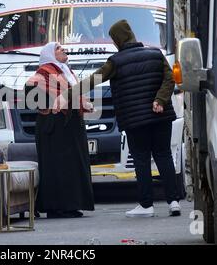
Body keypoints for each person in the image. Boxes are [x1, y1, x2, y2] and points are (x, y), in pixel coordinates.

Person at [59, 20, 181, 217]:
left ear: (117, 40)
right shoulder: (156, 54)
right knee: (164, 155)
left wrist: (66, 95)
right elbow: (169, 79)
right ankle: (173, 201)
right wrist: (160, 99)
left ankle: (146, 205)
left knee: (141, 160)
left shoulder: (116, 62)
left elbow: (94, 79)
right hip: (160, 115)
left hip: (136, 120)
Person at [25, 42, 95, 218]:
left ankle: (71, 205)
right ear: (49, 54)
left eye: (62, 47)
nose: (63, 49)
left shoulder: (67, 72)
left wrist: (83, 103)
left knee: (72, 165)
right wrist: (53, 102)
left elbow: (74, 94)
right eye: (58, 48)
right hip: (54, 126)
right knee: (58, 166)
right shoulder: (44, 72)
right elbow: (29, 93)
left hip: (70, 125)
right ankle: (56, 207)